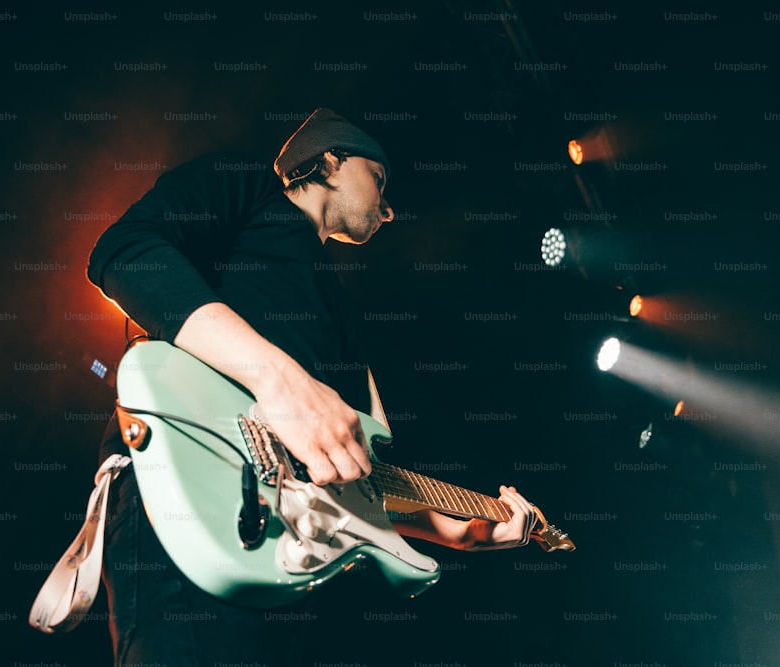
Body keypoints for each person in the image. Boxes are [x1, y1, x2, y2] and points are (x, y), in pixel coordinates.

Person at [86, 107, 538, 666]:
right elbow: (124, 252)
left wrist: (463, 531)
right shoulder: (248, 184)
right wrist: (281, 382)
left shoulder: (340, 313)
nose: (389, 209)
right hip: (193, 487)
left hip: (295, 560)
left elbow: (355, 484)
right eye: (379, 179)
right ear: (330, 161)